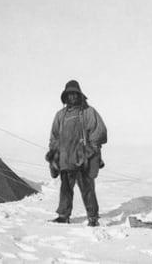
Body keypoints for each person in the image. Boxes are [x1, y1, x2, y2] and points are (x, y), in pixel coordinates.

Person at [46, 80, 107, 227]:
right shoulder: (60, 115)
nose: (72, 97)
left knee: (88, 189)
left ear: (79, 95)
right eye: (69, 94)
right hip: (66, 159)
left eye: (74, 94)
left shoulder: (89, 112)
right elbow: (54, 136)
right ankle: (63, 216)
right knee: (65, 189)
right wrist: (54, 154)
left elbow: (99, 132)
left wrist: (90, 149)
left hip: (83, 159)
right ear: (65, 97)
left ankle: (93, 217)